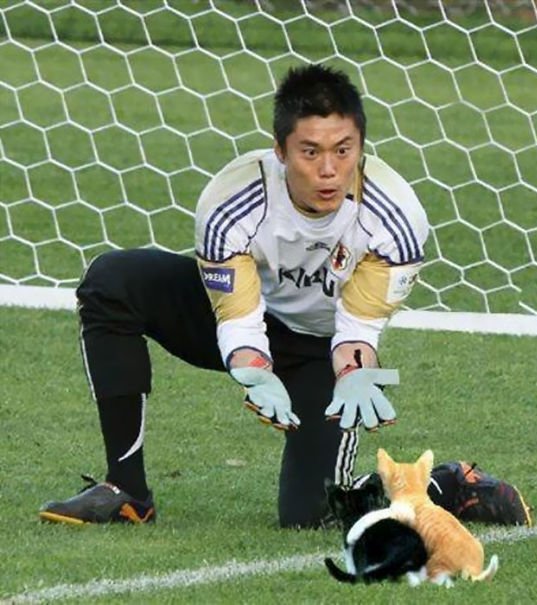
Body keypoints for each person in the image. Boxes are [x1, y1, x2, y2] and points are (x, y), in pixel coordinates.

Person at [39, 63, 429, 529]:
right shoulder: (232, 200)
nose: (329, 170)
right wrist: (255, 369)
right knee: (114, 281)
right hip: (243, 321)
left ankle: (441, 484)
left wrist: (353, 374)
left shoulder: (396, 218)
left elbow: (357, 329)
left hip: (320, 350)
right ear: (280, 150)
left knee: (309, 515)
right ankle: (126, 491)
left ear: (361, 147)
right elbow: (238, 317)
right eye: (310, 151)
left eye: (343, 151)